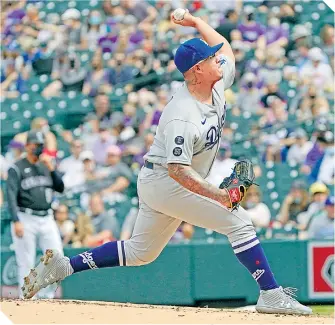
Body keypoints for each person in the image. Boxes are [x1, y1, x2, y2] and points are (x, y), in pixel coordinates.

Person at [21, 10, 311, 315]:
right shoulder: (182, 114)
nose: (219, 61)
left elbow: (225, 47)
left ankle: (63, 266)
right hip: (166, 181)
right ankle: (271, 294)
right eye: (212, 60)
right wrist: (221, 197)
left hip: (161, 181)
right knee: (240, 223)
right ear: (198, 70)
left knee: (140, 252)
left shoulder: (216, 81)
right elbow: (177, 170)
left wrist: (197, 23)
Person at [6, 130, 64, 299]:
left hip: (47, 217)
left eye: (41, 145)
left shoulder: (46, 165)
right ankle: (27, 299)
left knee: (57, 257)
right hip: (26, 217)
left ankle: (46, 296)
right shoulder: (17, 168)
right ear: (28, 146)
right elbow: (10, 197)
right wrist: (16, 220)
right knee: (26, 260)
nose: (39, 148)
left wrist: (52, 169)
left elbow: (60, 188)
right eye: (36, 145)